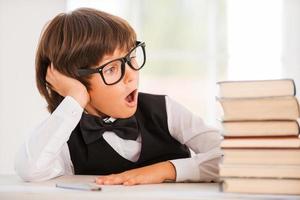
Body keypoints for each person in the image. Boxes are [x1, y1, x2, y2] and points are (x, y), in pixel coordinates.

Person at [15, 8, 222, 186]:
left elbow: (236, 156)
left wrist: (167, 170)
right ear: (75, 81)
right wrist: (76, 97)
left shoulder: (165, 110)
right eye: (112, 69)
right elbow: (31, 169)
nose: (131, 75)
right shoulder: (67, 141)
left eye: (132, 57)